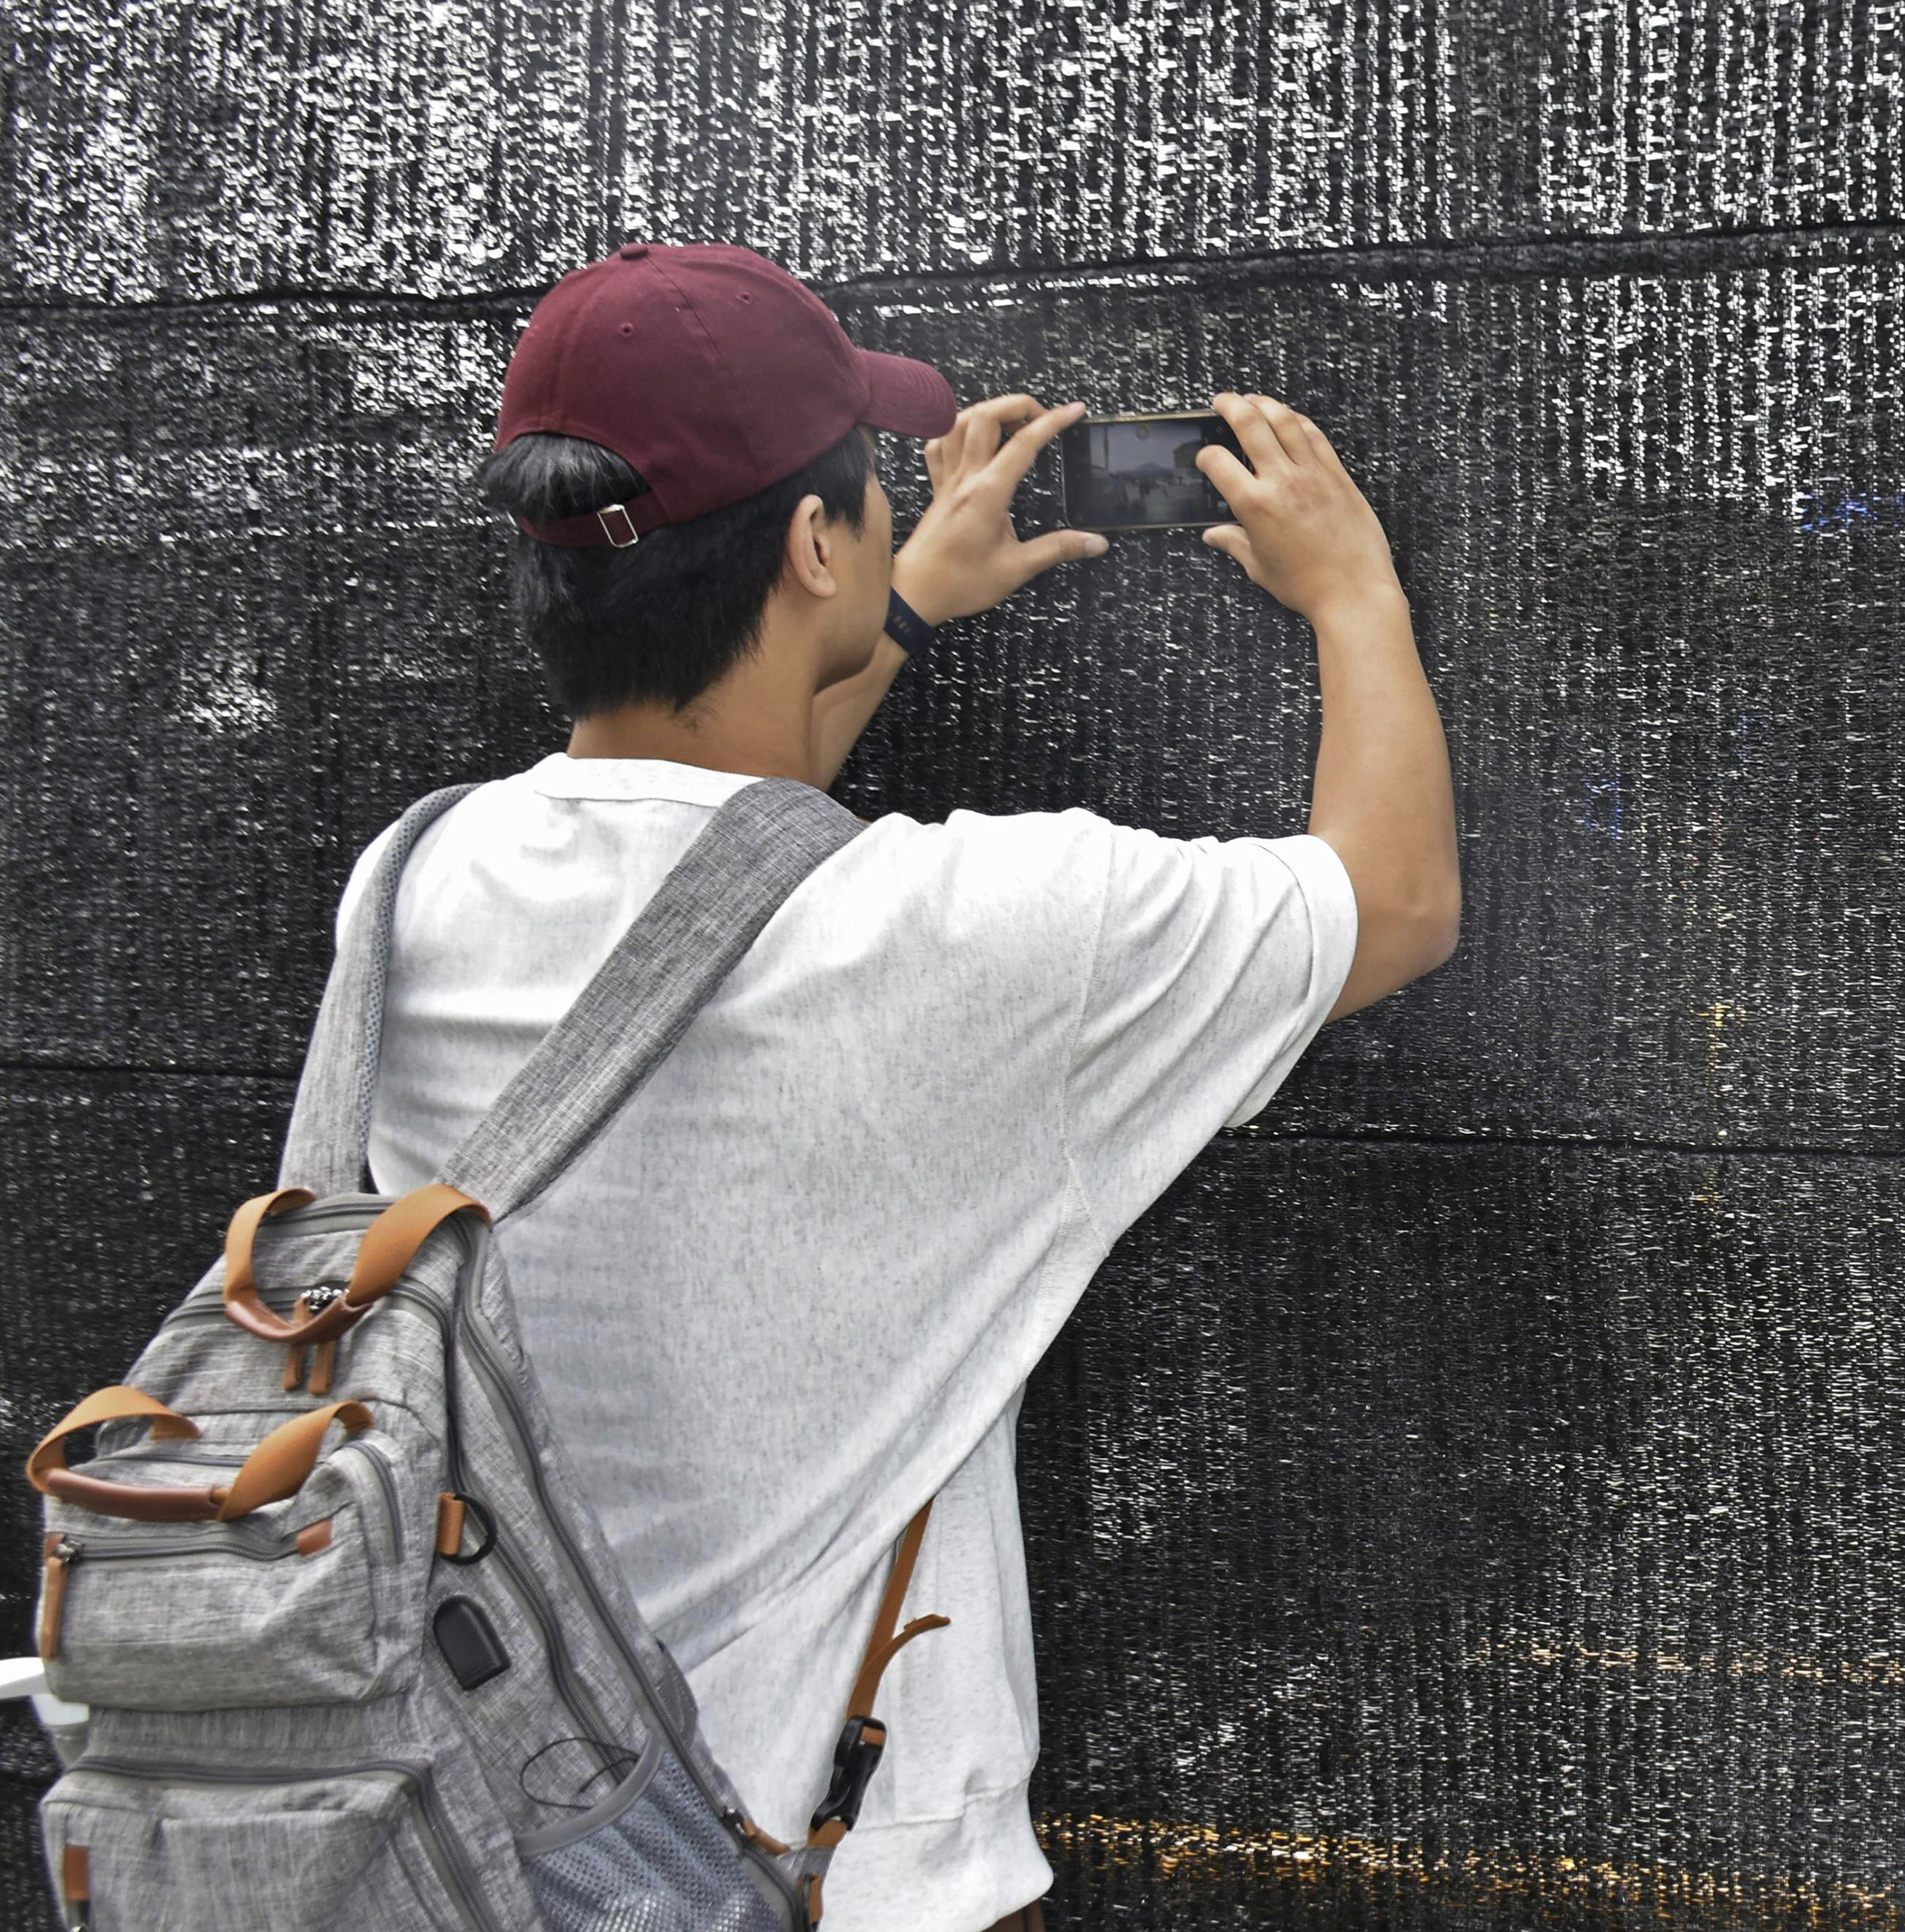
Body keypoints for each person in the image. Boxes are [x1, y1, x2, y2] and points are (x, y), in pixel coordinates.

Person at [343, 241, 1458, 1930]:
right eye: (860, 492)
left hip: (480, 1830)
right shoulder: (955, 931)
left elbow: (714, 870)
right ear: (808, 545)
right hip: (820, 1867)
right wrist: (1354, 590)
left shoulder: (410, 883)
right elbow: (1389, 905)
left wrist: (899, 606)